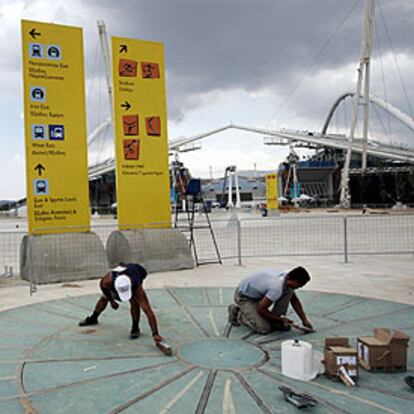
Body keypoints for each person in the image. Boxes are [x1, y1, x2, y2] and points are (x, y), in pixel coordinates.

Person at [79, 263, 163, 343]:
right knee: (104, 298)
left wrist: (155, 333)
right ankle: (93, 318)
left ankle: (135, 326)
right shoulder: (108, 280)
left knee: (135, 301)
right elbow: (102, 286)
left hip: (137, 272)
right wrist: (111, 300)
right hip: (123, 274)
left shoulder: (137, 287)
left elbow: (148, 311)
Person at [228, 266, 313, 334]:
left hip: (257, 295)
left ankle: (275, 321)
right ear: (294, 280)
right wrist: (280, 319)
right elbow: (261, 309)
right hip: (244, 297)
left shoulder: (285, 278)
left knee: (289, 291)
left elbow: (294, 301)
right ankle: (238, 313)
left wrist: (304, 320)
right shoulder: (276, 287)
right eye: (300, 285)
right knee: (264, 328)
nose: (300, 287)